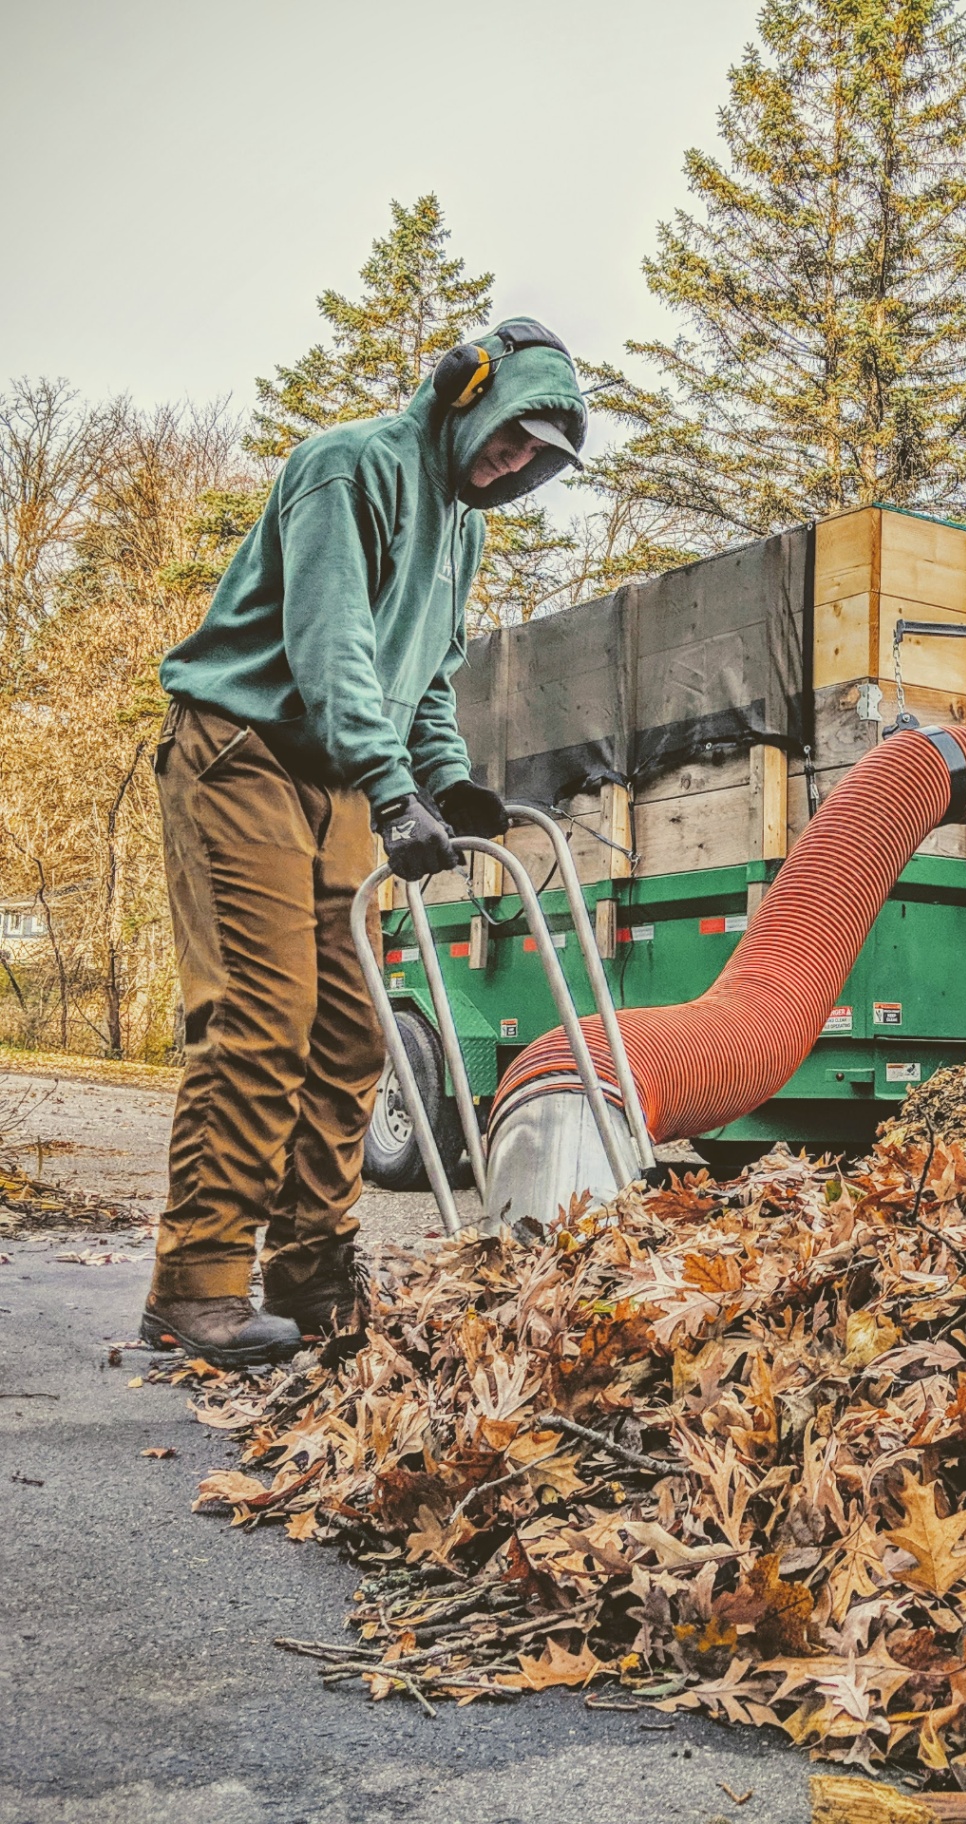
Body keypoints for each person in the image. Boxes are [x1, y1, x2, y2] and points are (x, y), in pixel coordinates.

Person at [141, 317, 587, 1366]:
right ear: (466, 393)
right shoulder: (347, 468)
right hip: (244, 750)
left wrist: (445, 783)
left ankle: (310, 1274)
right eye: (511, 435)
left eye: (533, 462)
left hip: (343, 776)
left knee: (352, 1033)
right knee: (261, 1019)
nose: (511, 464)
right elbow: (330, 642)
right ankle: (194, 1288)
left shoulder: (463, 528)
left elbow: (423, 677)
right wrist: (394, 790)